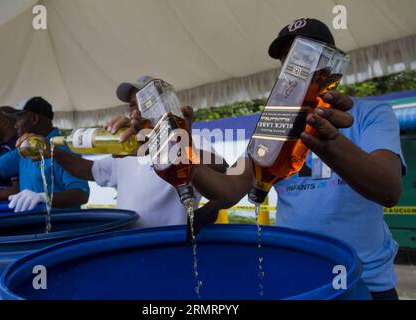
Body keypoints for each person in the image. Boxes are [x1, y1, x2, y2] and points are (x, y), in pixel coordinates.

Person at [170, 19, 405, 300]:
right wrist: (179, 153)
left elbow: (388, 189)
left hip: (365, 282)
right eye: (286, 60)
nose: (293, 68)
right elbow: (231, 188)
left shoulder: (371, 114)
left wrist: (328, 143)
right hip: (297, 274)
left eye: (304, 56)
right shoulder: (274, 122)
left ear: (330, 63)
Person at [17, 76, 228, 228]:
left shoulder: (191, 142)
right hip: (128, 246)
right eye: (131, 106)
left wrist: (169, 143)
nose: (135, 112)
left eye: (144, 104)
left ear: (164, 105)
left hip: (170, 248)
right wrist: (52, 151)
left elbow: (224, 171)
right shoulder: (127, 147)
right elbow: (91, 170)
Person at [0, 97, 90, 212]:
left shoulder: (64, 148)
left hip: (63, 229)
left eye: (19, 118)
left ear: (34, 119)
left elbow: (81, 194)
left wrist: (44, 197)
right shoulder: (25, 148)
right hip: (31, 226)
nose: (15, 125)